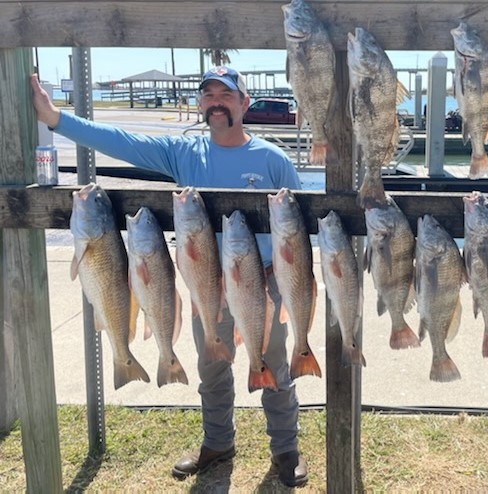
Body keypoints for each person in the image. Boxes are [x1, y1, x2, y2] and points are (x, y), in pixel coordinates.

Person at [30, 66, 308, 488]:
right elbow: (122, 142)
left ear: (244, 103)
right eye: (208, 95)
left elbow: (299, 228)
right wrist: (56, 119)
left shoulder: (275, 160)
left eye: (226, 95)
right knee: (212, 365)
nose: (216, 102)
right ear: (201, 104)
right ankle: (218, 441)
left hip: (260, 281)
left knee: (273, 364)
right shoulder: (184, 153)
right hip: (205, 283)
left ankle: (285, 449)